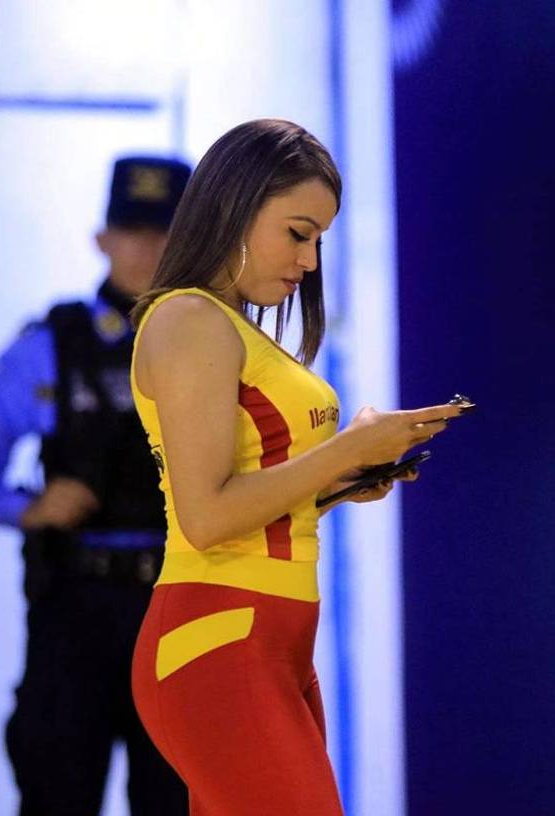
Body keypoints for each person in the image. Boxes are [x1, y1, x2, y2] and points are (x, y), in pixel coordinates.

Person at [128, 119, 464, 815]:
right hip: (219, 637)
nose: (310, 261)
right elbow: (208, 515)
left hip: (266, 643)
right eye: (298, 232)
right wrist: (345, 451)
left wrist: (338, 485)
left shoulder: (225, 323)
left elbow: (244, 495)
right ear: (235, 207)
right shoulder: (189, 320)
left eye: (319, 240)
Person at [0, 156, 191, 814]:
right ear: (103, 239)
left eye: (165, 234)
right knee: (57, 792)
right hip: (76, 609)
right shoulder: (54, 345)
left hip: (180, 613)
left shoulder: (220, 347)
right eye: (132, 231)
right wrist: (27, 509)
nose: (147, 250)